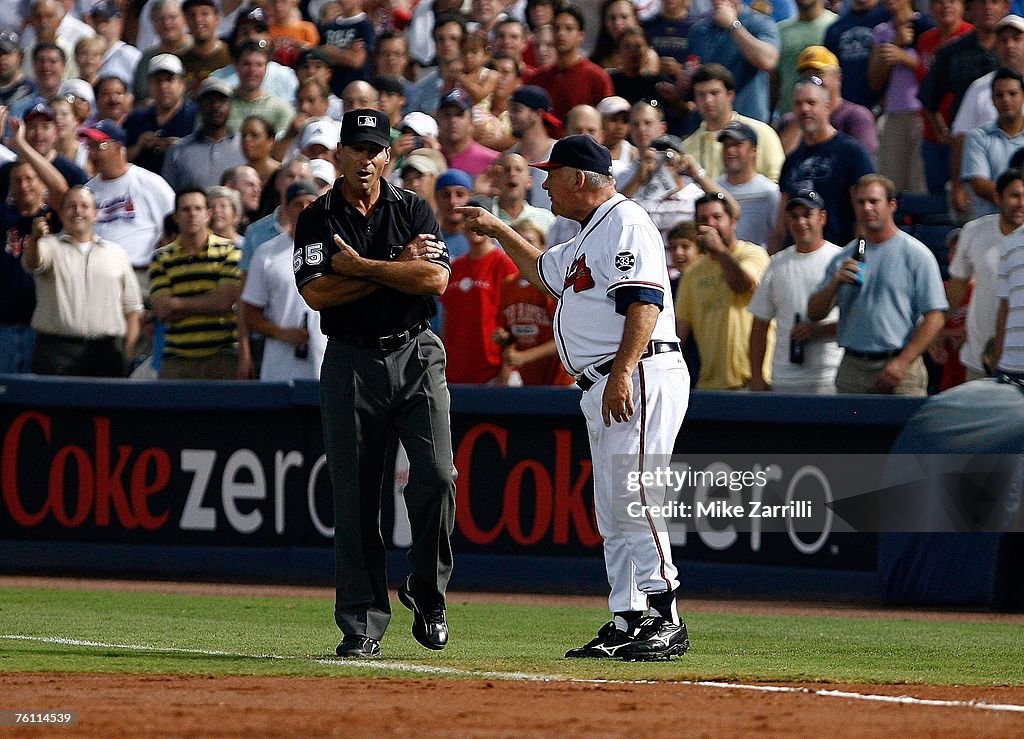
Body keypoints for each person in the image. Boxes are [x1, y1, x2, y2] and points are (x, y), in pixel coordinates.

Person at [459, 135, 691, 661]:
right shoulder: (590, 233)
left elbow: (644, 303)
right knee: (610, 507)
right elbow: (543, 273)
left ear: (580, 178)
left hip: (639, 370)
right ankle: (628, 617)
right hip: (605, 379)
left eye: (552, 173)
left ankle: (665, 617)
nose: (545, 183)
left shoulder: (627, 222)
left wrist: (624, 371)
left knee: (635, 496)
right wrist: (498, 229)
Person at [293, 108, 456, 659]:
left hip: (415, 350)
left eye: (375, 149)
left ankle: (427, 592)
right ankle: (361, 623)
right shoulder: (318, 216)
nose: (366, 158)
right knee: (356, 497)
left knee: (436, 475)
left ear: (389, 155)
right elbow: (317, 295)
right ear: (338, 154)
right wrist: (392, 268)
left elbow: (433, 278)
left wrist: (360, 266)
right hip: (351, 359)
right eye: (356, 148)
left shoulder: (414, 207)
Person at [807, 174, 947, 395]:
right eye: (861, 202)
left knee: (904, 429)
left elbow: (935, 316)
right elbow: (814, 313)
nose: (867, 208)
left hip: (900, 367)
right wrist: (835, 282)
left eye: (874, 201)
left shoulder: (916, 255)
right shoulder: (843, 257)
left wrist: (904, 361)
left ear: (891, 205)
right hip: (853, 365)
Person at [23, 185, 143, 376]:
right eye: (71, 206)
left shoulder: (116, 253)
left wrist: (126, 351)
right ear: (61, 214)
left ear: (95, 214)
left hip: (108, 353)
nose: (78, 211)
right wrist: (35, 240)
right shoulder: (48, 247)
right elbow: (33, 263)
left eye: (84, 206)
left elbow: (132, 308)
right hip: (57, 351)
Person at [747, 189, 842, 393]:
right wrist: (757, 376)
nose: (800, 223)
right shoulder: (777, 263)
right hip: (785, 377)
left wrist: (816, 331)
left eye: (807, 215)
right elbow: (759, 324)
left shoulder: (839, 260)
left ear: (822, 218)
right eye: (794, 216)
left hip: (829, 376)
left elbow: (855, 322)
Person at [676, 192, 772, 390]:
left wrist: (720, 251)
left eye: (717, 217)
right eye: (703, 220)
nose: (711, 224)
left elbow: (744, 285)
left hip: (752, 380)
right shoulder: (692, 274)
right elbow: (680, 333)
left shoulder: (753, 254)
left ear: (733, 221)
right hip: (709, 384)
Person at [149, 187, 247, 379]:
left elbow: (224, 301)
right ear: (176, 217)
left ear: (208, 214)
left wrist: (177, 304)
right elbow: (161, 309)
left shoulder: (230, 251)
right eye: (186, 210)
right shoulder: (161, 257)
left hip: (222, 356)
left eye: (198, 208)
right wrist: (209, 302)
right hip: (177, 358)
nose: (192, 214)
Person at [772, 76, 875, 253]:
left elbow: (865, 215)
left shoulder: (851, 153)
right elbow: (781, 225)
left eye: (811, 103)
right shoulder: (792, 160)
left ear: (827, 107)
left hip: (840, 256)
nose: (804, 109)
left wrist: (858, 257)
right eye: (798, 104)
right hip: (798, 258)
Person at [241, 179, 325, 380]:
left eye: (310, 203)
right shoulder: (266, 254)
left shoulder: (336, 250)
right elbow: (251, 312)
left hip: (327, 364)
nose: (304, 209)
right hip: (281, 367)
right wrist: (282, 333)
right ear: (285, 210)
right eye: (297, 203)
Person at [946, 168, 1024, 381]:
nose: (1021, 203)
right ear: (998, 197)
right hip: (977, 358)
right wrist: (939, 329)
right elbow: (957, 287)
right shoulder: (973, 231)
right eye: (1015, 195)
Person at [83, 119, 176, 284]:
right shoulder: (86, 191)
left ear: (118, 148)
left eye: (99, 146)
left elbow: (175, 223)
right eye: (90, 147)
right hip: (96, 277)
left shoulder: (149, 182)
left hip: (140, 273)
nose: (92, 154)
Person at [493, 220, 577, 386]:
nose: (522, 247)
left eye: (529, 241)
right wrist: (503, 336)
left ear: (543, 247)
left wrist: (525, 357)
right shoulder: (508, 284)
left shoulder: (553, 283)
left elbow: (567, 338)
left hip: (561, 378)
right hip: (529, 378)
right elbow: (508, 329)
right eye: (517, 242)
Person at [681, 64, 785, 184]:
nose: (708, 100)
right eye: (701, 94)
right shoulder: (687, 148)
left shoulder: (761, 133)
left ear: (730, 95)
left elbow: (777, 181)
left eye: (714, 93)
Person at [686, 0, 780, 123]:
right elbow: (694, 78)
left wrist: (733, 25)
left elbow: (768, 61)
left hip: (747, 121)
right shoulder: (699, 30)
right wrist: (684, 83)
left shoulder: (759, 22)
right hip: (706, 124)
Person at [525, 5, 614, 128]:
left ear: (581, 36)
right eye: (556, 28)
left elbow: (606, 122)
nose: (561, 33)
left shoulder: (597, 77)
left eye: (569, 28)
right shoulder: (538, 78)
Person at [161, 76, 246, 192]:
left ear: (231, 105)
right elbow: (168, 195)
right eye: (209, 101)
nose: (215, 106)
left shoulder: (244, 146)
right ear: (199, 105)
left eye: (221, 101)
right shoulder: (178, 149)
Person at [960, 68, 1024, 219]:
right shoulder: (977, 137)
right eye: (999, 95)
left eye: (1012, 93)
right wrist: (1017, 200)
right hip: (990, 226)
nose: (1006, 99)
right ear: (993, 99)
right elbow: (980, 185)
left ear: (1023, 96)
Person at [123, 53, 198, 175]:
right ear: (149, 85)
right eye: (157, 81)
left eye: (169, 80)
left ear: (182, 84)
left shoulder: (196, 116)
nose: (163, 86)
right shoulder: (136, 118)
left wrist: (180, 148)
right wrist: (139, 147)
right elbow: (119, 158)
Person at [716, 120, 779, 248]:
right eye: (726, 145)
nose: (730, 150)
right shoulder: (714, 189)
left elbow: (778, 234)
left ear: (754, 150)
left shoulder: (769, 192)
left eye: (737, 145)